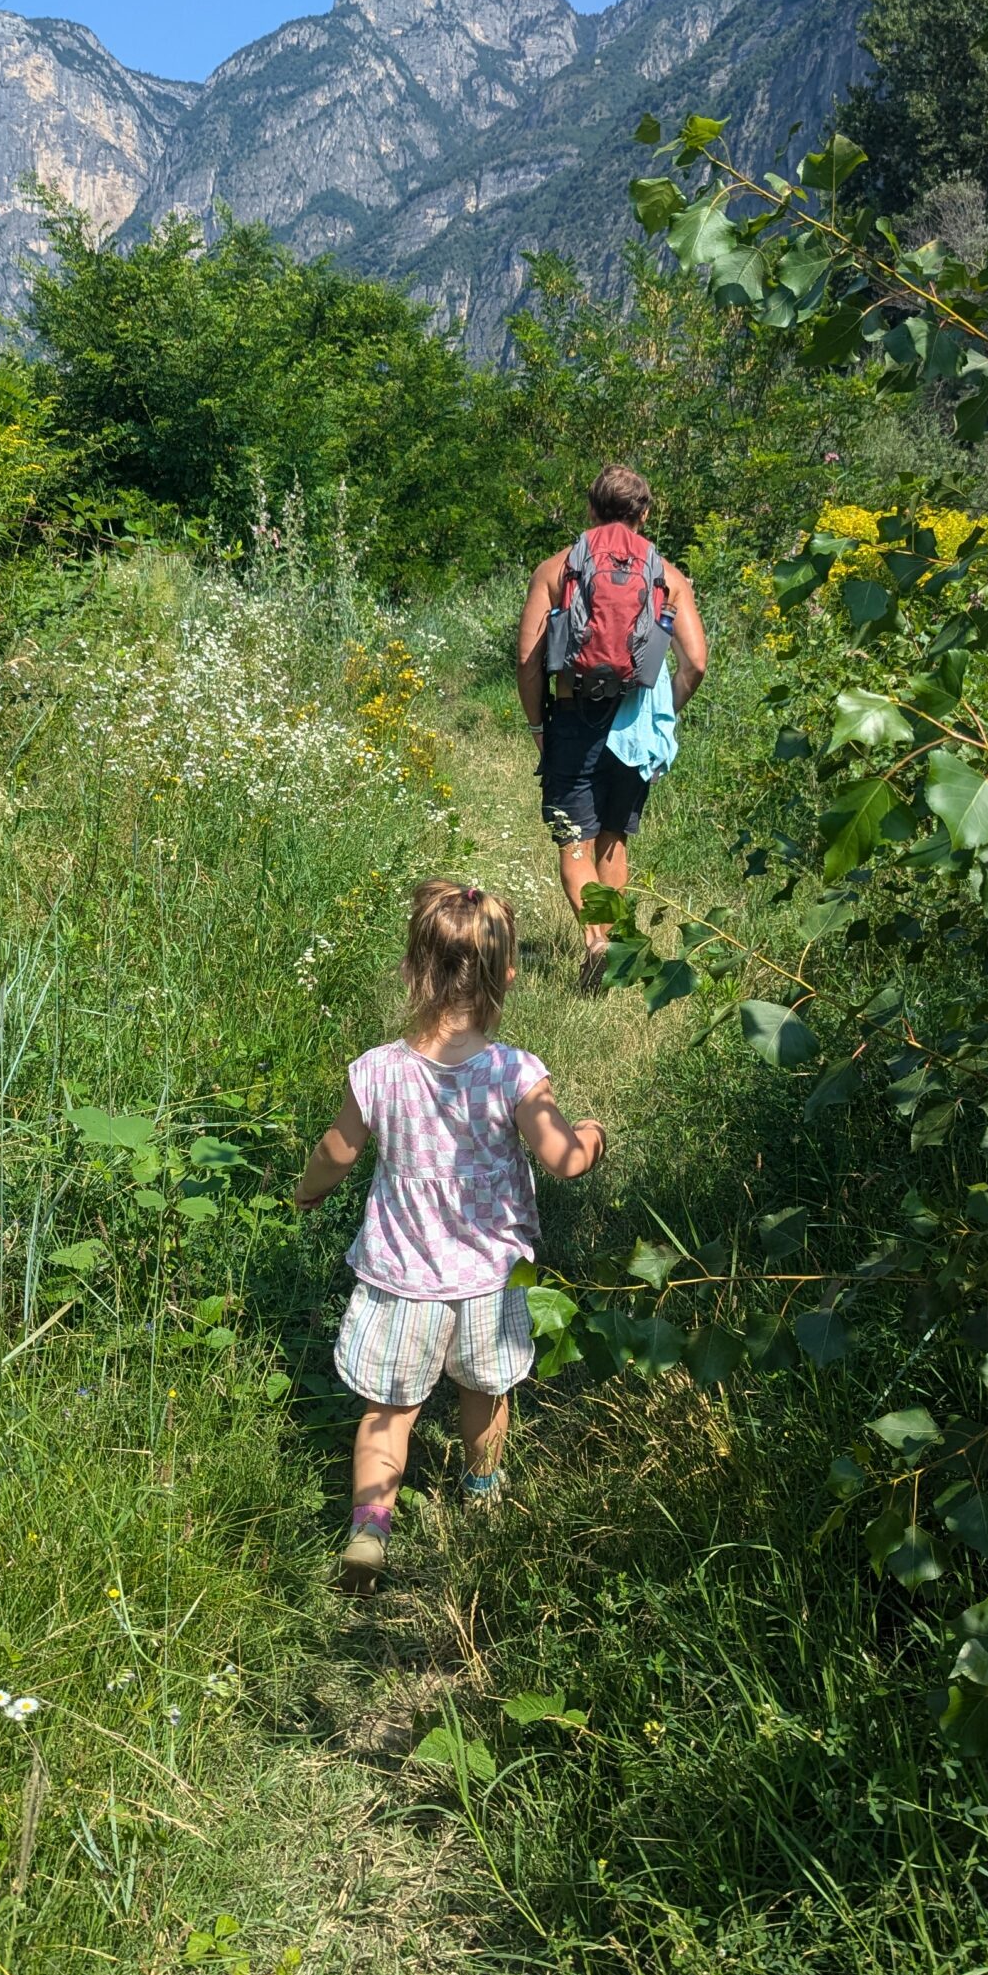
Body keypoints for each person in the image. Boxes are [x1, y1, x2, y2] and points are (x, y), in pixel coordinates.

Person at [293, 878, 607, 1592]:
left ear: (410, 969)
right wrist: (594, 1135)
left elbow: (336, 1154)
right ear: (508, 975)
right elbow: (564, 1159)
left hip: (401, 1276)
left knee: (390, 1410)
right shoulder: (514, 1073)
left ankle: (370, 1530)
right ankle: (482, 1493)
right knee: (485, 1392)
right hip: (489, 1281)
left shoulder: (376, 1071)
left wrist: (308, 1192)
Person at [516, 463, 708, 989]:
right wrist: (664, 710)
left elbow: (528, 660)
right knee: (615, 841)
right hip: (634, 720)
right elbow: (696, 661)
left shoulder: (556, 568)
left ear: (590, 508)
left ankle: (595, 939)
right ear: (644, 513)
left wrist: (538, 726)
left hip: (572, 718)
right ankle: (613, 950)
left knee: (573, 841)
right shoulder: (666, 573)